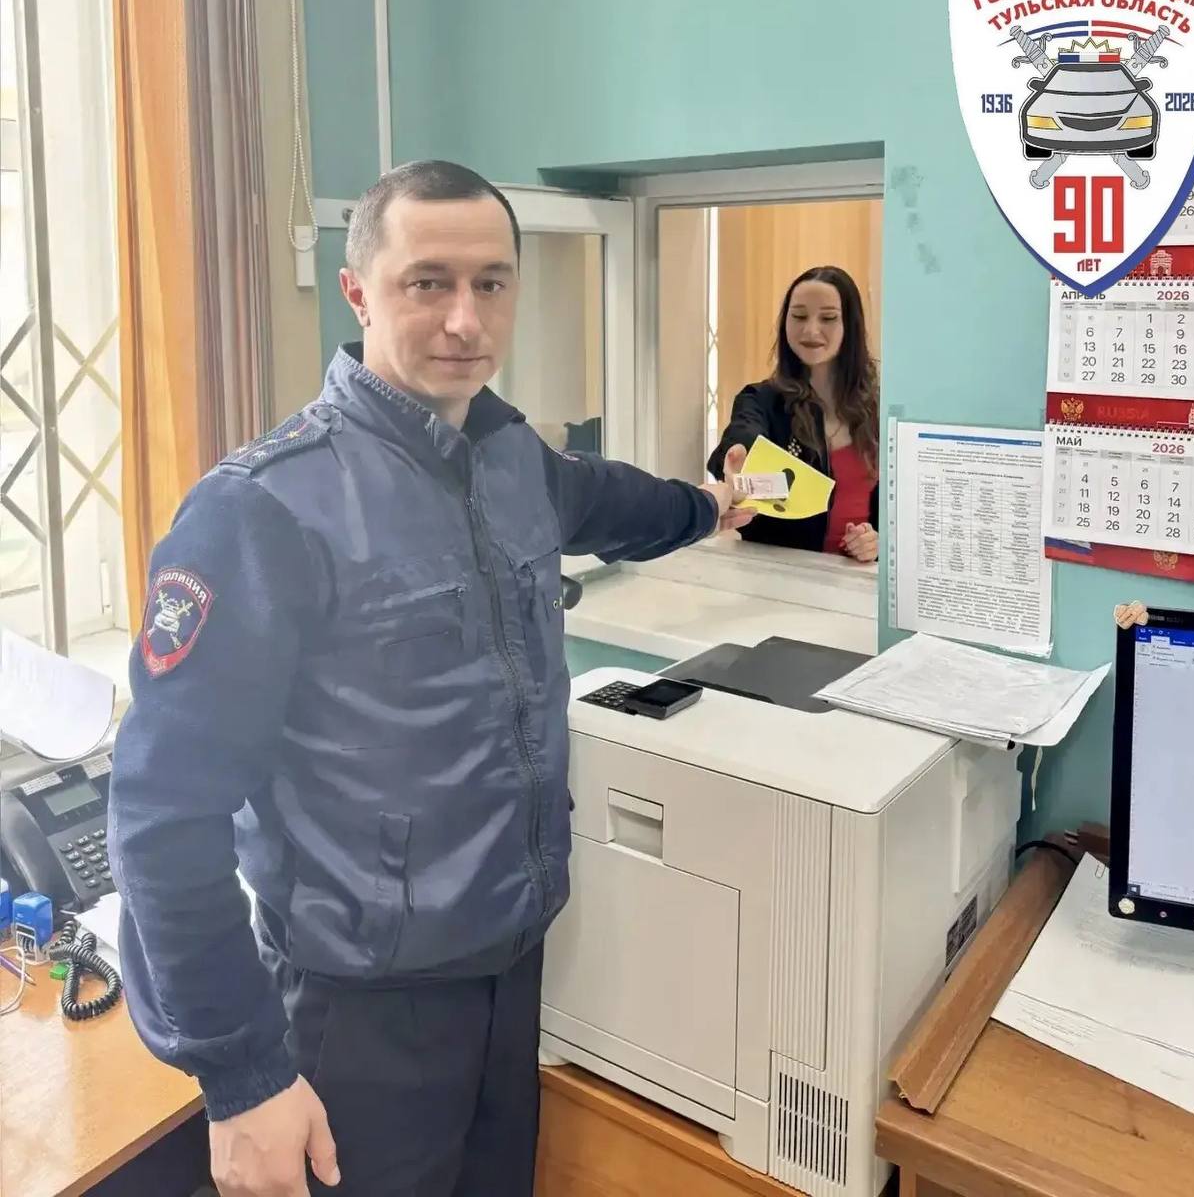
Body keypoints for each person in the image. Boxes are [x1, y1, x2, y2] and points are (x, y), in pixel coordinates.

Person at [109, 160, 752, 1197]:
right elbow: (160, 811)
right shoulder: (263, 509)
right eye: (427, 283)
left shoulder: (509, 457)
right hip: (357, 1016)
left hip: (508, 972)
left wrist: (708, 506)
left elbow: (611, 502)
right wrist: (240, 1074)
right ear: (358, 292)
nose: (465, 318)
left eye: (490, 283)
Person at [707, 265, 879, 563]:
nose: (811, 330)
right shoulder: (761, 399)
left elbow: (901, 512)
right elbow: (743, 434)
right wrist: (739, 456)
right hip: (782, 576)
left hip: (858, 578)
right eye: (799, 316)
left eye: (828, 318)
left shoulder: (878, 408)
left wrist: (875, 542)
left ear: (849, 326)